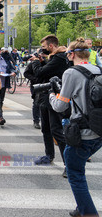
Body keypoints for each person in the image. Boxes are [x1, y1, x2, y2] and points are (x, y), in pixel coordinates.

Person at [49, 38, 102, 217]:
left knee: (75, 173)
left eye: (67, 54)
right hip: (98, 131)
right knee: (79, 165)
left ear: (71, 54)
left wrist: (51, 94)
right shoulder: (98, 70)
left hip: (82, 134)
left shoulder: (71, 73)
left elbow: (59, 106)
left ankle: (89, 213)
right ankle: (81, 208)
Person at [31, 35, 69, 176]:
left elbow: (40, 73)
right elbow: (44, 73)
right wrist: (42, 62)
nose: (42, 50)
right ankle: (49, 156)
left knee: (57, 130)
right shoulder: (54, 58)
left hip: (55, 97)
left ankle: (68, 165)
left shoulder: (59, 59)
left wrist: (35, 62)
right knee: (46, 128)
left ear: (51, 46)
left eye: (44, 47)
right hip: (45, 97)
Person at [23, 49, 43, 129]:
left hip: (45, 84)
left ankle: (41, 119)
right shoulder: (33, 63)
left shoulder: (48, 62)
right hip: (36, 85)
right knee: (36, 102)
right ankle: (36, 120)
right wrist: (35, 79)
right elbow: (26, 73)